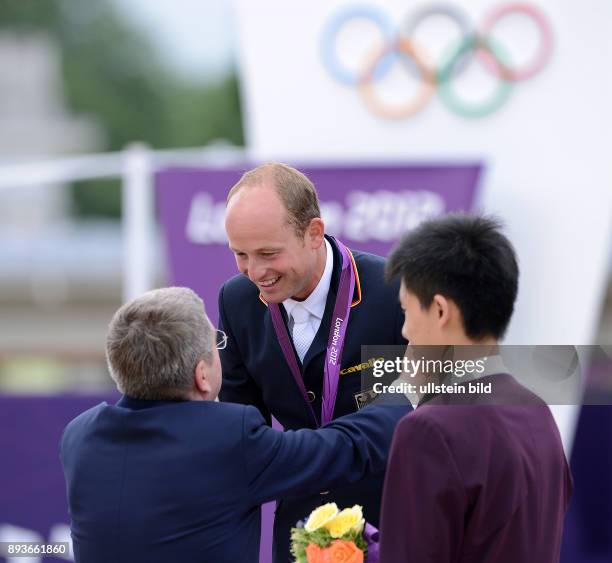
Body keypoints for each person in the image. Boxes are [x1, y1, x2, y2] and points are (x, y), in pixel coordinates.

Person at [59, 287, 407, 563]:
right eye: (217, 344)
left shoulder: (80, 436)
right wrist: (416, 386)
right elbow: (346, 449)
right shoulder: (226, 438)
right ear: (202, 375)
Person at [218, 163, 408, 561]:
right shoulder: (235, 301)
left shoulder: (396, 288)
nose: (255, 272)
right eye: (240, 255)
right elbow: (239, 431)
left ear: (314, 233)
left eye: (268, 253)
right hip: (298, 532)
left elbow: (447, 396)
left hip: (395, 524)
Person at [379, 214, 573, 562]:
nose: (405, 331)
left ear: (440, 310)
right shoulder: (536, 410)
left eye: (406, 311)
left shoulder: (427, 429)